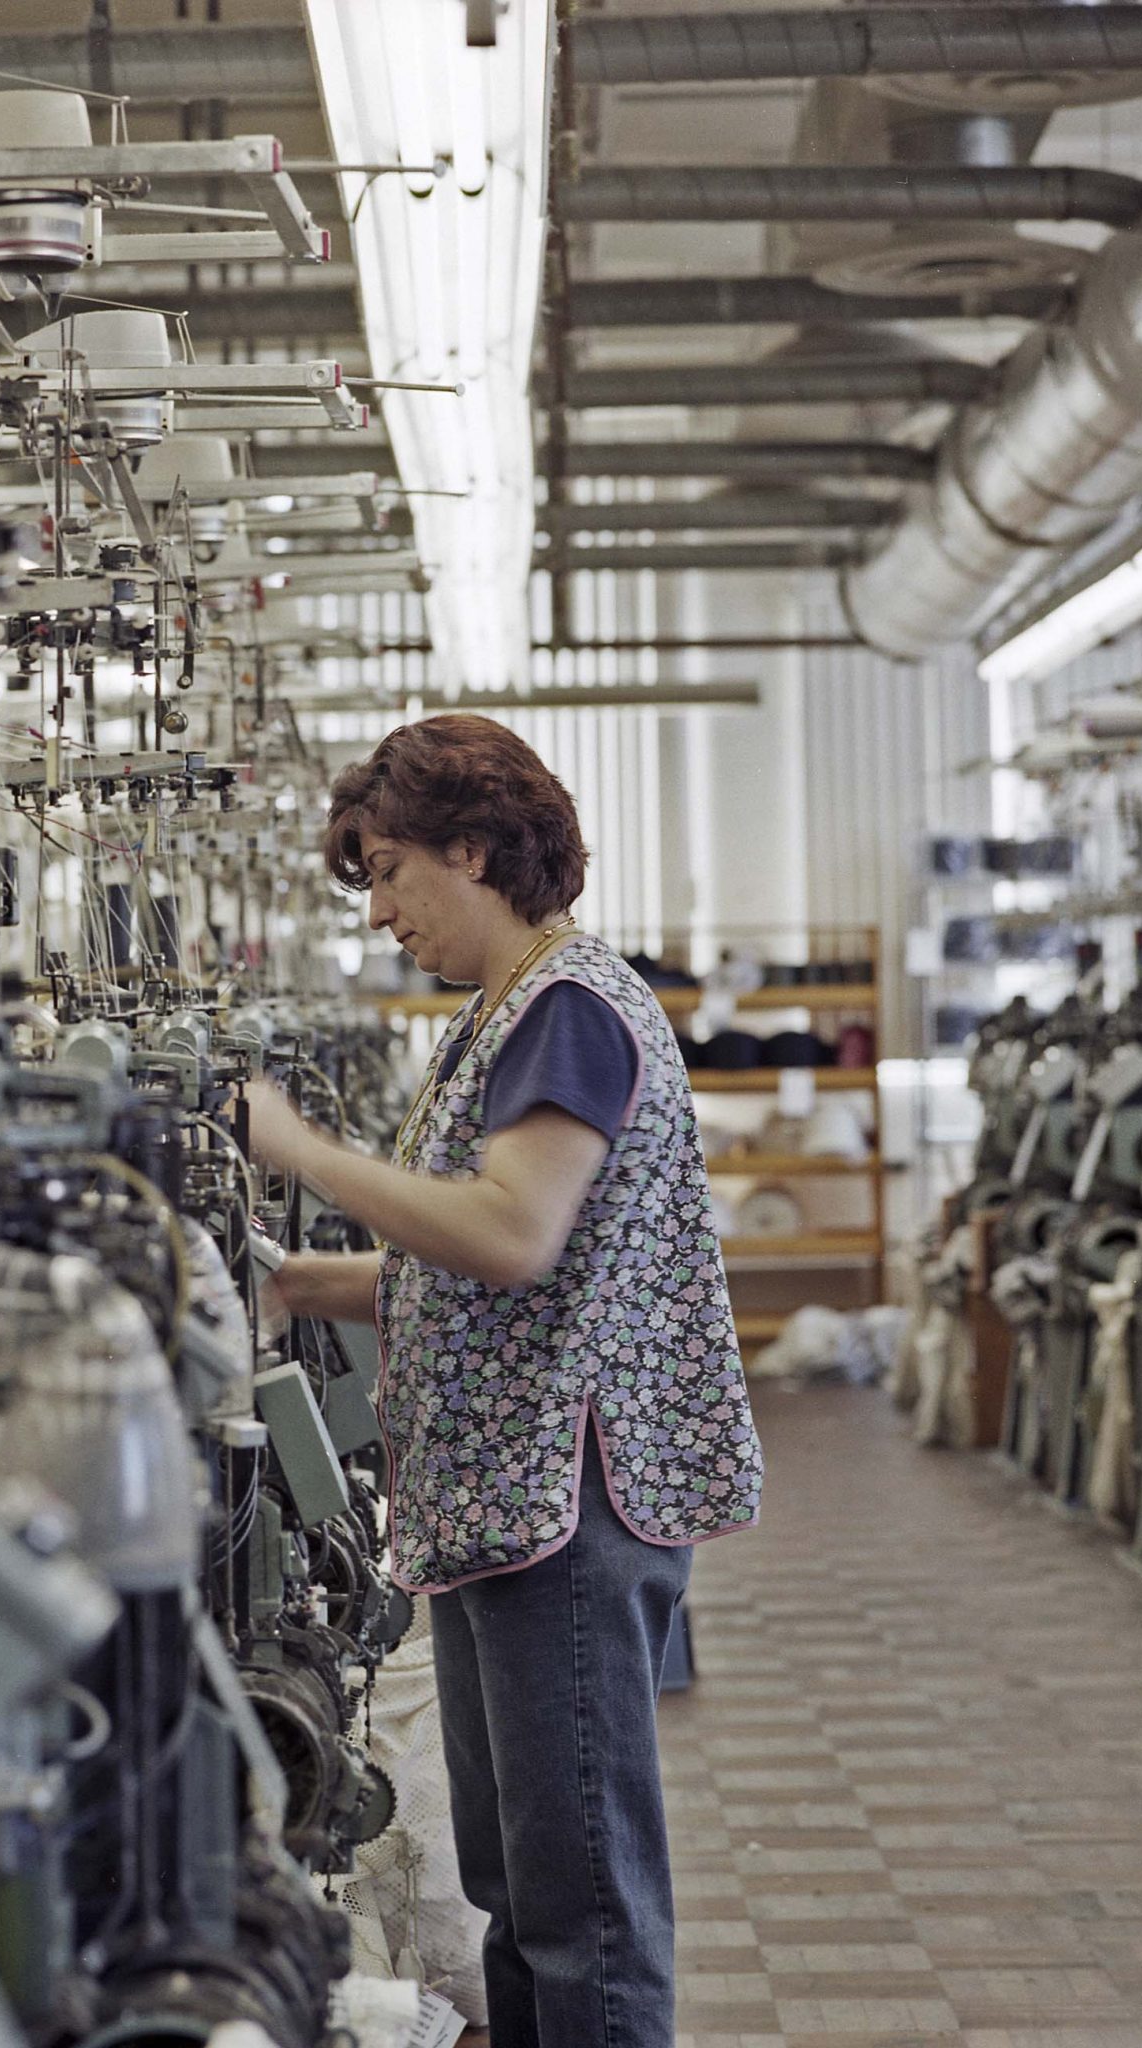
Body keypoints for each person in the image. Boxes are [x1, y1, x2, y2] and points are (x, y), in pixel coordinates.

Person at [244, 714, 763, 2048]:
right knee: (515, 1885)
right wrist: (298, 1283)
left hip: (565, 1503)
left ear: (472, 851)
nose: (381, 914)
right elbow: (459, 1265)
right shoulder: (499, 1019)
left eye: (388, 873)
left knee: (579, 1901)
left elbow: (510, 1233)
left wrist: (304, 1153)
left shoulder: (571, 1012)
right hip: (496, 1500)